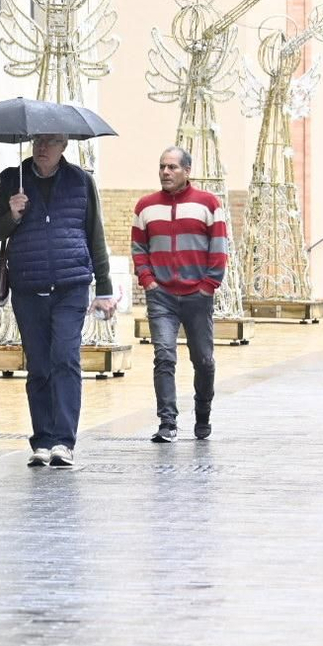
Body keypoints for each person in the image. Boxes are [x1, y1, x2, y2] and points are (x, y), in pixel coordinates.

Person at [0, 133, 116, 469]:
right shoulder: (12, 179)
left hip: (71, 286)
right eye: (38, 141)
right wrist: (12, 214)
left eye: (51, 142)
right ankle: (42, 441)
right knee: (39, 365)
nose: (43, 147)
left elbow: (95, 235)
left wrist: (104, 289)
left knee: (64, 358)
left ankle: (63, 441)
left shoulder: (81, 182)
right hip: (28, 286)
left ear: (64, 147)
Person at [131, 146, 228, 443]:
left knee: (204, 360)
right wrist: (148, 281)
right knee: (163, 356)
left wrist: (208, 286)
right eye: (162, 167)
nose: (165, 172)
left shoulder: (208, 204)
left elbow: (219, 248)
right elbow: (138, 249)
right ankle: (167, 421)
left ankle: (203, 412)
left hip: (198, 296)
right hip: (161, 296)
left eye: (172, 167)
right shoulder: (145, 207)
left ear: (187, 171)